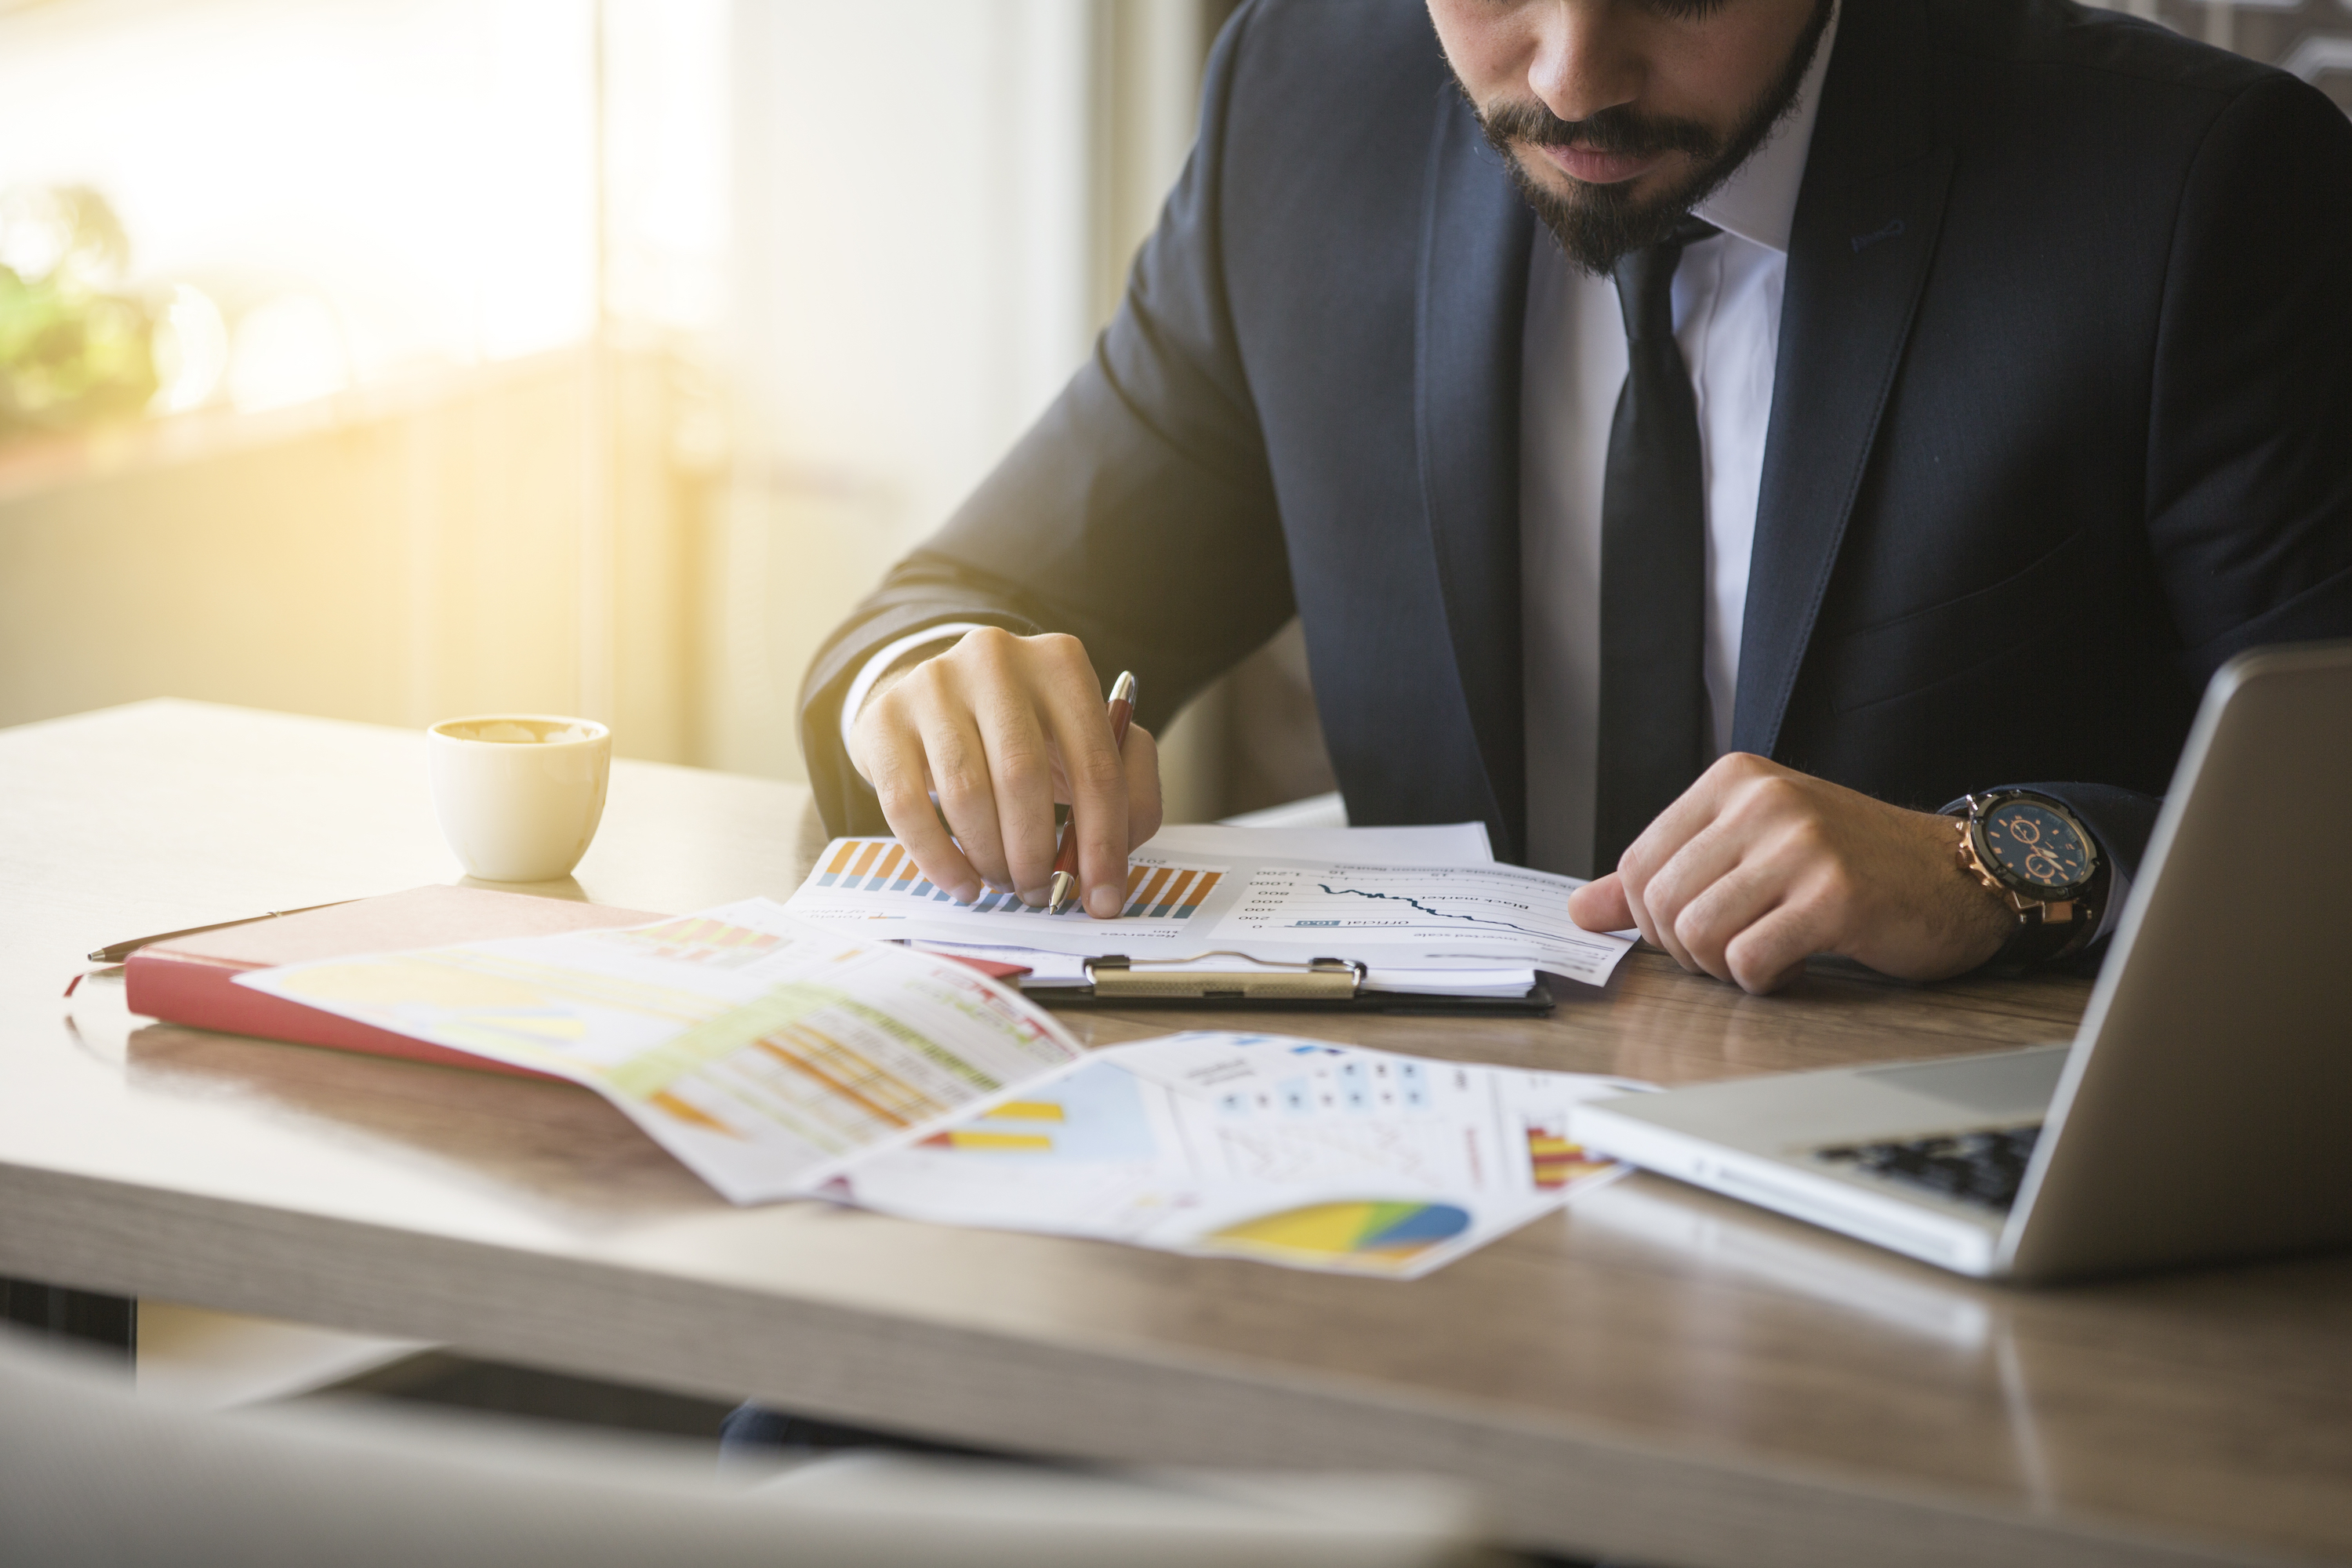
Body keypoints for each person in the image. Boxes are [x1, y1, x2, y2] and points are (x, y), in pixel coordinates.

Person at [795, 0, 2352, 995]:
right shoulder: (1308, 106)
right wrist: (930, 696)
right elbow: (948, 607)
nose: (1570, 74)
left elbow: (2321, 824)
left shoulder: (2193, 190)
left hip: (1931, 1206)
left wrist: (1989, 872)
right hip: (1416, 1162)